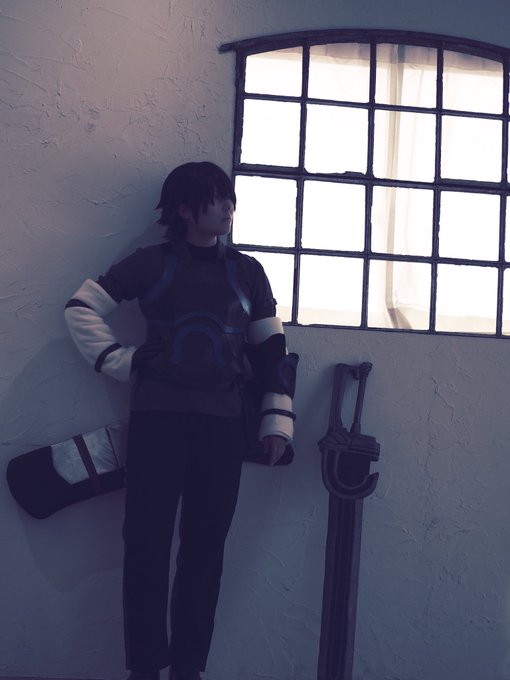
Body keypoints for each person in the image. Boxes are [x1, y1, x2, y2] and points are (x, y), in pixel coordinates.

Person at [64, 161, 297, 680]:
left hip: (223, 426)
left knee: (205, 551)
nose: (228, 207)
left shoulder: (248, 272)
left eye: (230, 198)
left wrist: (276, 420)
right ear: (186, 209)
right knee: (145, 546)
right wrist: (121, 361)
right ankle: (145, 668)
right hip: (158, 422)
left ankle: (189, 669)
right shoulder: (151, 263)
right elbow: (80, 308)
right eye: (217, 198)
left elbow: (271, 351)